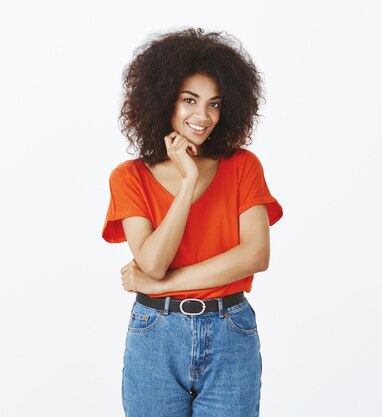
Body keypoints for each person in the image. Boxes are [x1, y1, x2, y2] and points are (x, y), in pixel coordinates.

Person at [101, 27, 283, 417]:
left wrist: (163, 285)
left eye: (214, 104)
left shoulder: (242, 167)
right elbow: (152, 263)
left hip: (230, 332)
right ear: (163, 100)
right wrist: (187, 184)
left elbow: (255, 255)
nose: (203, 116)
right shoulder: (129, 177)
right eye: (189, 100)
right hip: (155, 336)